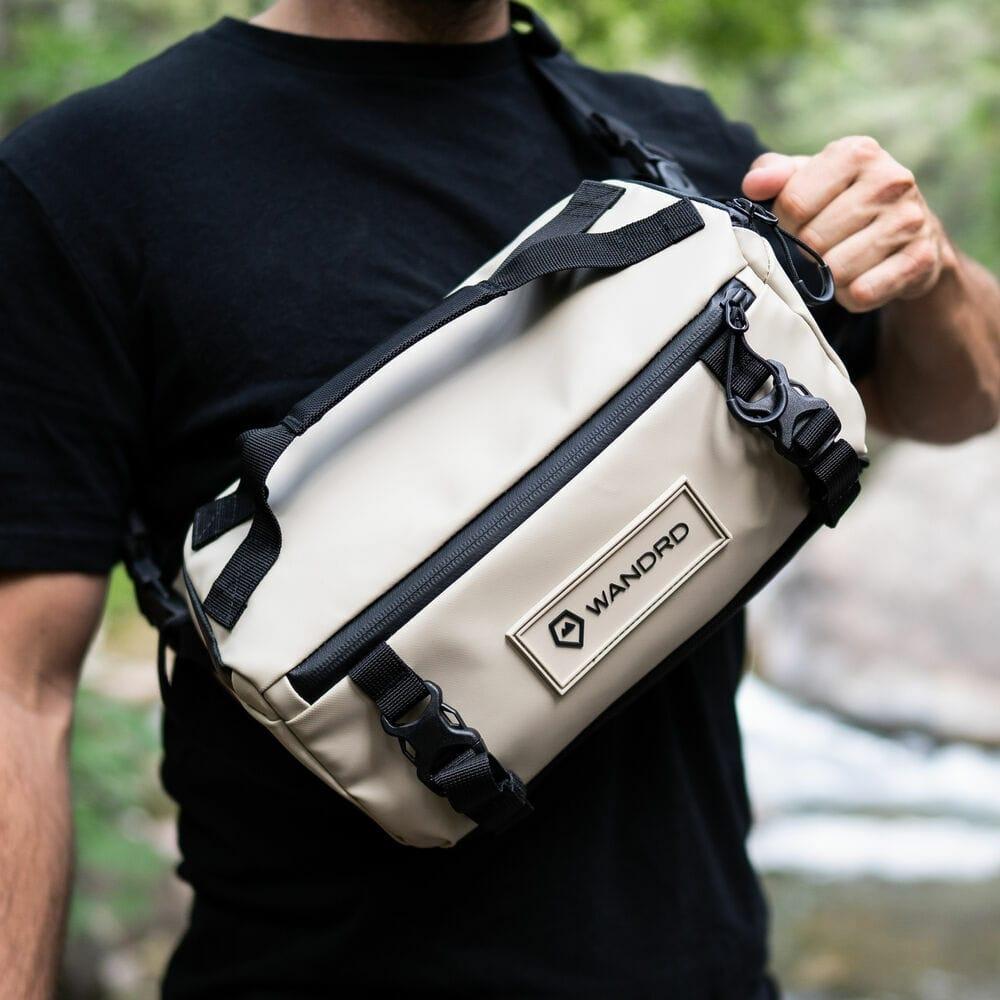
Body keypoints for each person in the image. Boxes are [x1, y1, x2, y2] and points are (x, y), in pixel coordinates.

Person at [0, 1, 996, 996]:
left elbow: (959, 396)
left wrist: (929, 268)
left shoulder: (677, 146)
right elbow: (20, 694)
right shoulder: (85, 179)